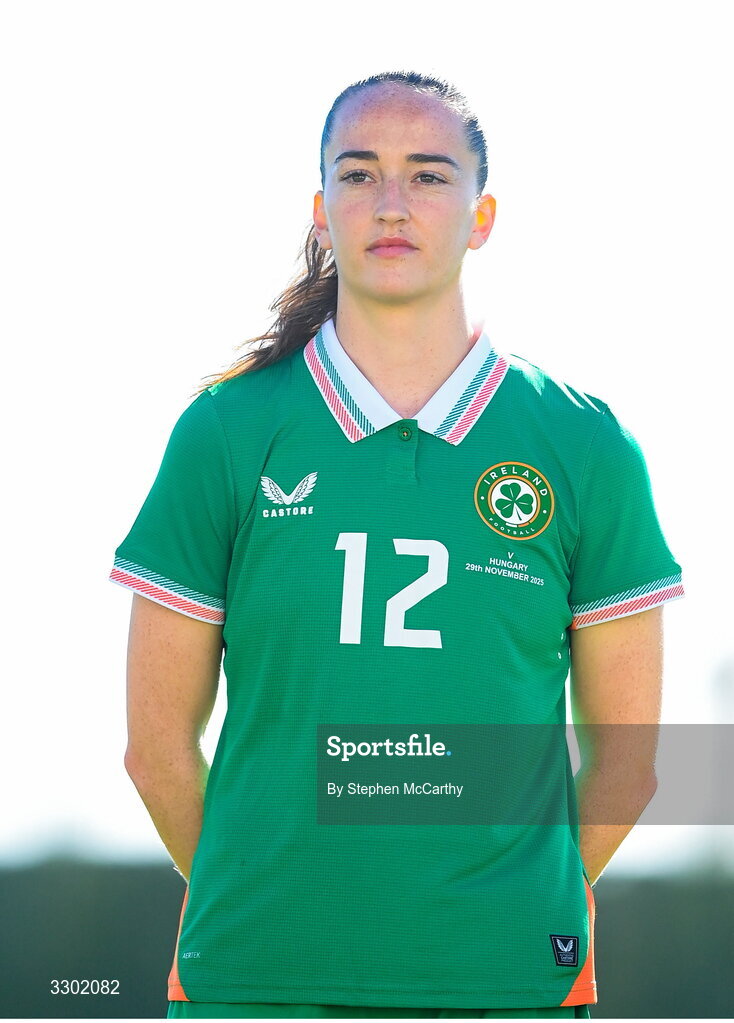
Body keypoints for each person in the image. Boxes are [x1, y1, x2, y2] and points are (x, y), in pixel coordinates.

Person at [110, 70, 685, 1020]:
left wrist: (506, 901)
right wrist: (266, 894)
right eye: (359, 173)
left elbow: (628, 759)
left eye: (427, 175)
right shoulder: (224, 431)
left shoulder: (585, 446)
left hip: (510, 988)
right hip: (254, 983)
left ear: (482, 213)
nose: (390, 203)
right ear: (321, 210)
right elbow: (154, 748)